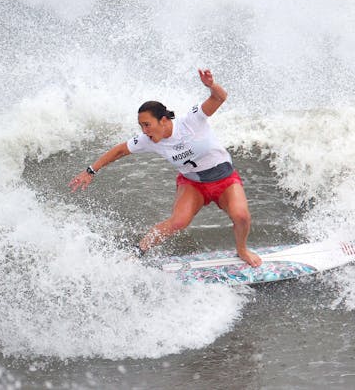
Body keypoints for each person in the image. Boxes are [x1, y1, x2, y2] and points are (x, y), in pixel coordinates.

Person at [68, 69, 262, 267]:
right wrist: (91, 170)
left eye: (147, 124)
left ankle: (242, 250)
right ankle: (136, 253)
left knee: (242, 217)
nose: (144, 131)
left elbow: (220, 97)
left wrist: (211, 85)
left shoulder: (191, 121)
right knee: (178, 222)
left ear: (163, 120)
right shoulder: (149, 139)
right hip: (193, 184)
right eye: (141, 126)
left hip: (225, 179)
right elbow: (119, 151)